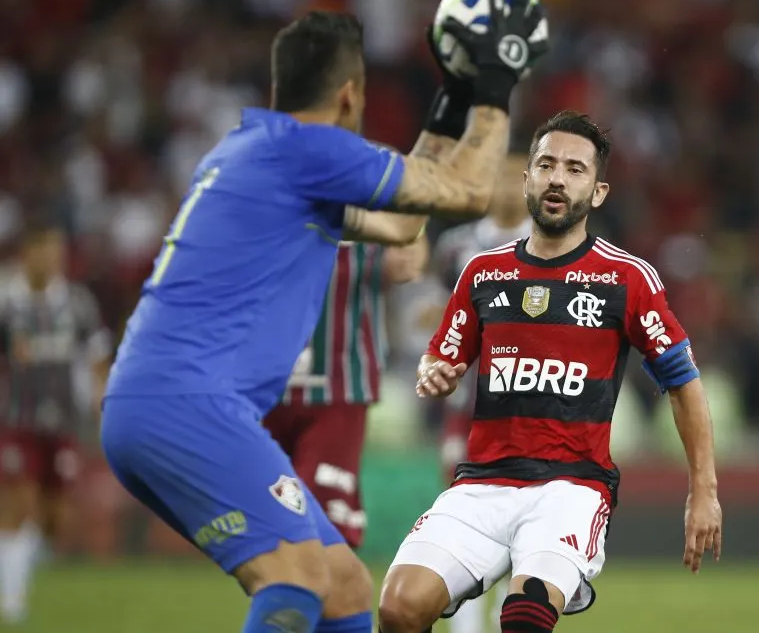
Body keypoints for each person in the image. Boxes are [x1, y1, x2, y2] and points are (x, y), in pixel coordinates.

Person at [100, 0, 548, 633]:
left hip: (153, 399)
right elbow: (470, 191)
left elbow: (401, 224)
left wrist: (450, 97)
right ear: (348, 95)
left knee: (343, 585)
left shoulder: (259, 153)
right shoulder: (310, 152)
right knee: (296, 575)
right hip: (190, 402)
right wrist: (497, 80)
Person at [377, 111, 723, 633]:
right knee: (398, 608)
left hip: (571, 488)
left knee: (524, 619)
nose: (558, 177)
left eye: (575, 169)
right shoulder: (482, 271)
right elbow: (441, 354)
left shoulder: (626, 278)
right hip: (482, 483)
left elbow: (682, 382)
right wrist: (436, 372)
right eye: (546, 164)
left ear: (598, 192)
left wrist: (704, 490)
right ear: (527, 180)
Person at [264, 236, 429, 550]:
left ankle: (314, 595)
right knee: (270, 523)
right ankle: (288, 595)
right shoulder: (262, 203)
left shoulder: (370, 203)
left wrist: (408, 231)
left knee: (323, 526)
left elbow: (407, 262)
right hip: (266, 390)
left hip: (338, 387)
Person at [433, 152, 533, 633]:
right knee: (463, 510)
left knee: (526, 511)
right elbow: (443, 312)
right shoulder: (457, 247)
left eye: (520, 180)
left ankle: (504, 614)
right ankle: (467, 620)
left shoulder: (549, 243)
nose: (512, 191)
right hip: (469, 406)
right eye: (503, 179)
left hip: (530, 404)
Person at [0, 220, 111, 624]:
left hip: (63, 420)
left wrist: (103, 399)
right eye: (45, 250)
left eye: (57, 252)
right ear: (27, 253)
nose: (52, 259)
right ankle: (12, 602)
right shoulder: (7, 302)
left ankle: (15, 568)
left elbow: (97, 352)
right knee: (20, 506)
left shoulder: (76, 303)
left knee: (55, 519)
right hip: (17, 419)